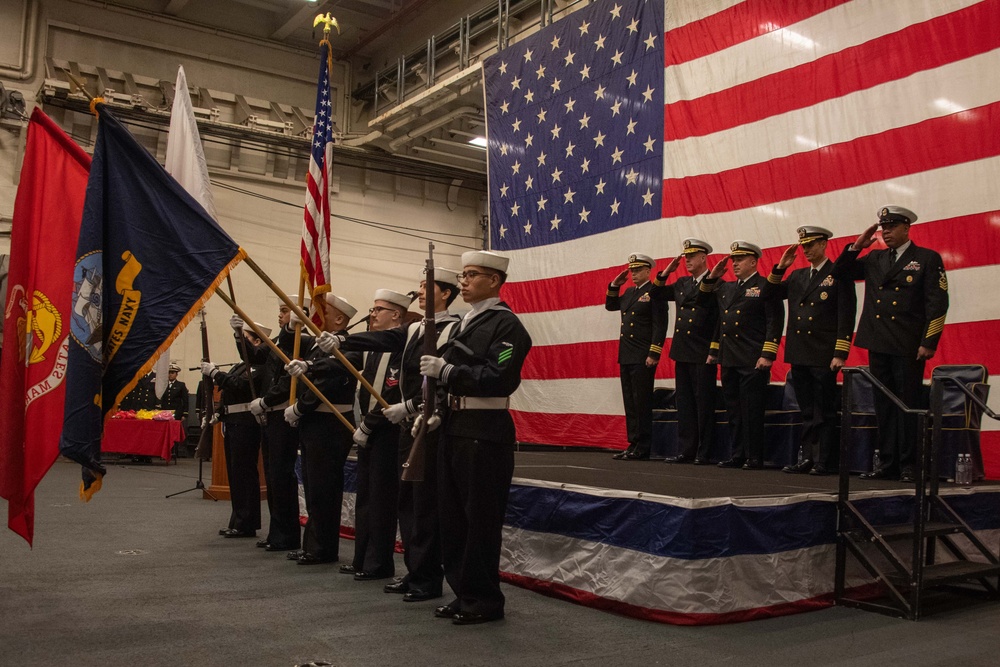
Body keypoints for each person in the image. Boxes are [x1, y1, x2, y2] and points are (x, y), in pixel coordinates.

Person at [318, 270, 460, 602]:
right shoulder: (413, 328)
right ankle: (416, 572)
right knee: (409, 504)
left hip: (433, 424)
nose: (421, 292)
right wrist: (343, 339)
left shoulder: (454, 329)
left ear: (447, 294)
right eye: (421, 286)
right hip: (409, 428)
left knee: (424, 505)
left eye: (429, 287)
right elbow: (384, 339)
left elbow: (442, 381)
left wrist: (408, 405)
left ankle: (428, 578)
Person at [422, 249, 531, 625]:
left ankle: (484, 598)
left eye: (472, 275)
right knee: (453, 518)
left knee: (479, 519)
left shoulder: (507, 326)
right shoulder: (466, 322)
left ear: (495, 281)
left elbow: (498, 376)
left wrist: (449, 371)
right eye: (463, 275)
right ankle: (464, 591)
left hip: (484, 432)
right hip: (455, 426)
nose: (463, 281)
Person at [833, 206, 949, 482]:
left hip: (908, 343)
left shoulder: (925, 258)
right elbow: (840, 273)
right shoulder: (875, 257)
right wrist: (856, 247)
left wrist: (929, 341)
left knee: (906, 405)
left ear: (907, 228)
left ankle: (909, 464)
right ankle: (888, 463)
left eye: (892, 226)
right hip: (878, 339)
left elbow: (938, 303)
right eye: (883, 227)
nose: (886, 231)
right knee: (883, 405)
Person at [766, 227, 857, 475]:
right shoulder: (797, 276)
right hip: (800, 351)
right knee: (806, 409)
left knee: (825, 409)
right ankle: (807, 456)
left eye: (811, 245)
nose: (806, 250)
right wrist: (780, 267)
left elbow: (846, 314)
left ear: (824, 244)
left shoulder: (836, 272)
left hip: (824, 352)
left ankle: (824, 460)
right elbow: (769, 294)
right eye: (803, 245)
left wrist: (840, 352)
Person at [279, 293, 361, 564]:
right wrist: (291, 325)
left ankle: (322, 548)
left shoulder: (347, 345)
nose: (315, 315)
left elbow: (327, 380)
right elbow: (288, 347)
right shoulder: (319, 342)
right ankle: (312, 544)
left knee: (324, 488)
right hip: (316, 423)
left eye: (321, 311)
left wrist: (300, 408)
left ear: (339, 319)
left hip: (329, 423)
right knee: (313, 487)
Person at [342, 289, 410, 582]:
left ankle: (379, 563)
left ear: (396, 314)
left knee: (382, 500)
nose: (372, 314)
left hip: (389, 431)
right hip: (368, 431)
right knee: (365, 498)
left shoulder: (402, 346)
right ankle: (362, 558)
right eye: (372, 309)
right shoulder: (371, 346)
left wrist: (369, 424)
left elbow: (392, 390)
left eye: (379, 309)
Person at [701, 241, 784, 469]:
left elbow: (774, 321)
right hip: (729, 358)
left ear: (753, 261)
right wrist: (712, 277)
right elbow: (706, 306)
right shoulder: (726, 288)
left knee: (752, 410)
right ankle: (738, 454)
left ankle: (754, 456)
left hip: (752, 358)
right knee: (734, 410)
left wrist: (767, 354)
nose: (735, 263)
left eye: (740, 259)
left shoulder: (764, 285)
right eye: (733, 260)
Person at [248, 297, 311, 553]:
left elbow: (288, 381)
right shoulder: (281, 342)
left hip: (286, 414)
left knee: (282, 476)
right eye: (281, 311)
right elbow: (255, 355)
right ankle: (277, 532)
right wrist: (238, 334)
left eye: (285, 311)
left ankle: (287, 534)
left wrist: (265, 401)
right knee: (273, 477)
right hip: (271, 414)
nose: (280, 315)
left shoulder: (304, 341)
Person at [653, 239, 719, 464]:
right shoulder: (681, 283)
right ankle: (686, 449)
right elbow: (656, 294)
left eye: (692, 256)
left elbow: (719, 320)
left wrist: (714, 348)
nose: (687, 260)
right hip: (682, 350)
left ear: (703, 257)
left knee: (703, 404)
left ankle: (705, 451)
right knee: (685, 403)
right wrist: (666, 272)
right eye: (685, 257)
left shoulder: (716, 283)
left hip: (702, 351)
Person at [201, 323, 268, 538]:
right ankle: (238, 519)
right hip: (233, 421)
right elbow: (231, 394)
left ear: (257, 342)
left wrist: (215, 374)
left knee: (245, 474)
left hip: (246, 423)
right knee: (235, 474)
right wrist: (218, 414)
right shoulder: (241, 365)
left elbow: (239, 386)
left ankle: (246, 523)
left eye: (245, 338)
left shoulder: (260, 366)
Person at [605, 253, 668, 461]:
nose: (634, 273)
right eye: (632, 270)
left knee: (642, 401)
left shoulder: (654, 292)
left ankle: (643, 445)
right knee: (630, 401)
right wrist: (615, 284)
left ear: (648, 271)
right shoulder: (630, 292)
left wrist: (654, 352)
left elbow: (660, 324)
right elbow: (611, 305)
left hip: (643, 355)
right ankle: (633, 443)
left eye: (638, 270)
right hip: (627, 354)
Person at [157, 362, 190, 458]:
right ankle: (164, 451)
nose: (170, 374)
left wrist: (185, 413)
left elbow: (185, 400)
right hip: (164, 412)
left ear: (176, 374)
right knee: (164, 432)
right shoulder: (163, 385)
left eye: (172, 373)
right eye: (169, 372)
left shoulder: (181, 385)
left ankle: (174, 451)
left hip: (176, 413)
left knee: (174, 433)